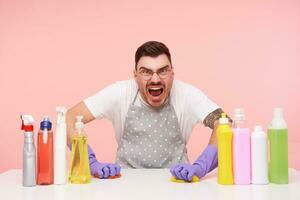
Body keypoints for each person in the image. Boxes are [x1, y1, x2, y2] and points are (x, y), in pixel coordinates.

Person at [66, 41, 230, 181]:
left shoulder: (187, 94)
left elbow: (225, 122)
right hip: (125, 184)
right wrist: (89, 161)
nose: (155, 79)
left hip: (177, 184)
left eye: (163, 71)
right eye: (146, 72)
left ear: (172, 72)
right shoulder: (121, 92)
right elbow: (70, 116)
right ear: (135, 75)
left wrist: (201, 166)